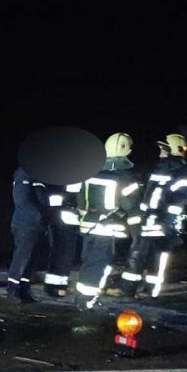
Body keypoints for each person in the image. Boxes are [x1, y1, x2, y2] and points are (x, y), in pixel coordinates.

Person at [120, 133, 187, 298]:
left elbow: (180, 201)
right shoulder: (159, 168)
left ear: (172, 151)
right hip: (148, 218)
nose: (160, 152)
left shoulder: (181, 172)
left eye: (163, 150)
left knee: (156, 258)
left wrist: (168, 222)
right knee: (137, 253)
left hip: (162, 221)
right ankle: (129, 289)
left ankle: (150, 290)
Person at [73, 132, 141, 310]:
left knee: (88, 262)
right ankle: (87, 301)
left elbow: (80, 199)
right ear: (125, 150)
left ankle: (81, 297)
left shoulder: (90, 172)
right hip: (108, 227)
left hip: (87, 225)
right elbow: (129, 205)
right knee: (100, 265)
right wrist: (136, 232)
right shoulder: (125, 177)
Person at [7, 166, 52, 302]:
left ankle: (24, 289)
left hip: (37, 225)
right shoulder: (24, 173)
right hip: (25, 224)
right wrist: (39, 216)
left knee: (32, 259)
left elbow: (43, 201)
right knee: (22, 257)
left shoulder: (40, 177)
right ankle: (12, 289)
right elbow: (22, 200)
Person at [43, 180, 83, 297]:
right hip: (62, 218)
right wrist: (69, 203)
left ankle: (59, 284)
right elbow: (54, 197)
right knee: (62, 251)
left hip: (67, 218)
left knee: (66, 252)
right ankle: (54, 287)